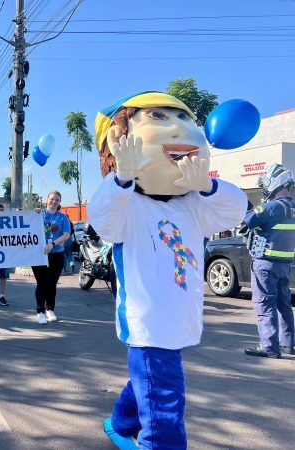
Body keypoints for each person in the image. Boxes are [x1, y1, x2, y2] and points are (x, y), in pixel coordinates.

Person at [90, 91, 247, 449]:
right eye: (158, 117)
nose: (180, 130)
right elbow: (103, 220)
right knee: (165, 416)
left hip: (180, 318)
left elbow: (234, 211)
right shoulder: (127, 203)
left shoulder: (192, 203)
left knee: (146, 381)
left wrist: (206, 185)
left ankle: (119, 422)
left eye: (185, 119)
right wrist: (122, 178)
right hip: (148, 324)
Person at [243, 163, 295, 358]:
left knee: (265, 305)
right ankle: (288, 344)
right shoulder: (292, 207)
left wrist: (247, 206)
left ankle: (269, 347)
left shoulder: (272, 207)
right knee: (284, 305)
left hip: (265, 264)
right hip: (285, 265)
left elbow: (248, 221)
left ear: (276, 181)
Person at [31, 191, 70, 324]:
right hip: (39, 255)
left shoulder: (63, 217)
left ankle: (50, 309)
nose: (54, 202)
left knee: (52, 283)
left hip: (57, 255)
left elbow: (66, 235)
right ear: (46, 200)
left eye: (57, 200)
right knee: (42, 283)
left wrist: (53, 244)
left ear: (59, 202)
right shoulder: (37, 214)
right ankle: (40, 311)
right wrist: (32, 212)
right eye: (52, 199)